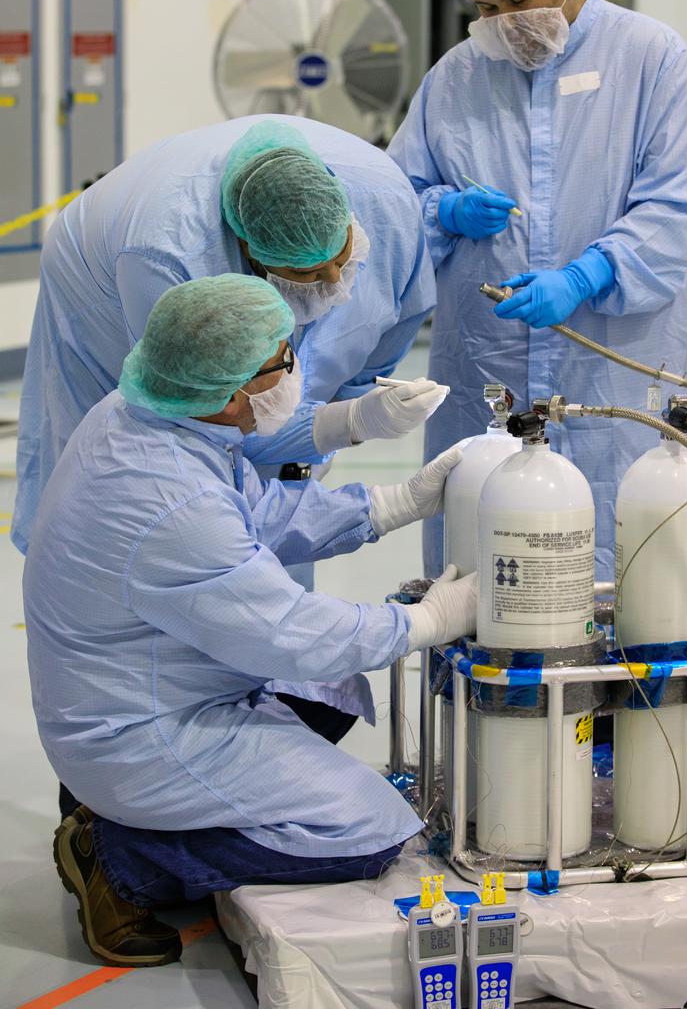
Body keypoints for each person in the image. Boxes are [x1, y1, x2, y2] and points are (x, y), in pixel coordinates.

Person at [24, 275, 476, 968]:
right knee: (370, 828)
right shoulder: (167, 501)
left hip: (151, 681)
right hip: (138, 729)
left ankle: (163, 822)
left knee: (329, 697)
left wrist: (394, 503)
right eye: (282, 361)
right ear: (232, 393)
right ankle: (121, 855)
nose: (294, 371)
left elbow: (256, 517)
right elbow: (289, 631)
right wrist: (423, 622)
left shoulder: (148, 414)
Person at [389, 0, 687, 579]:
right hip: (489, 364)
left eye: (520, 0)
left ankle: (623, 682)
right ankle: (493, 686)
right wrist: (443, 210)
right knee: (485, 560)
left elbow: (678, 198)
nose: (505, 21)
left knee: (623, 552)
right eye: (486, 7)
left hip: (613, 359)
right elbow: (395, 200)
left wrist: (587, 275)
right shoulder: (457, 76)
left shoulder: (649, 57)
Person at [13, 115, 438, 555]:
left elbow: (399, 317)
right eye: (307, 272)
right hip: (94, 285)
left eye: (343, 254)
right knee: (152, 468)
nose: (336, 283)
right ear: (251, 251)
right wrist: (342, 425)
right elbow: (206, 412)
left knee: (264, 489)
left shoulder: (386, 200)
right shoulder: (166, 258)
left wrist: (349, 409)